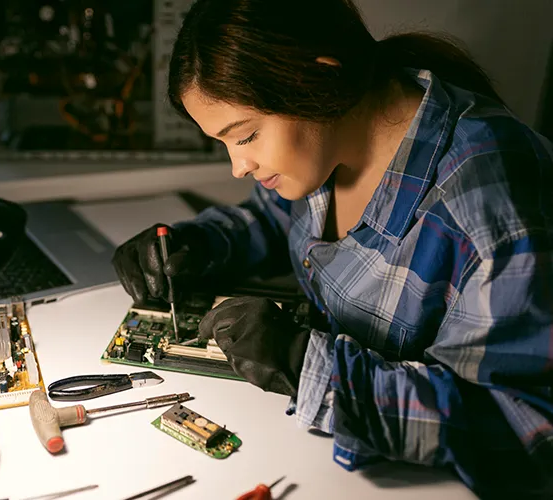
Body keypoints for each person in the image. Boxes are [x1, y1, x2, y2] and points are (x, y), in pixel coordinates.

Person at [111, 1, 553, 498]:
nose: (238, 166)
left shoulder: (489, 204)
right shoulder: (326, 141)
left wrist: (308, 365)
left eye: (247, 135)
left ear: (317, 81)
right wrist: (199, 243)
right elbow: (270, 218)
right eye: (224, 143)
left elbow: (526, 430)